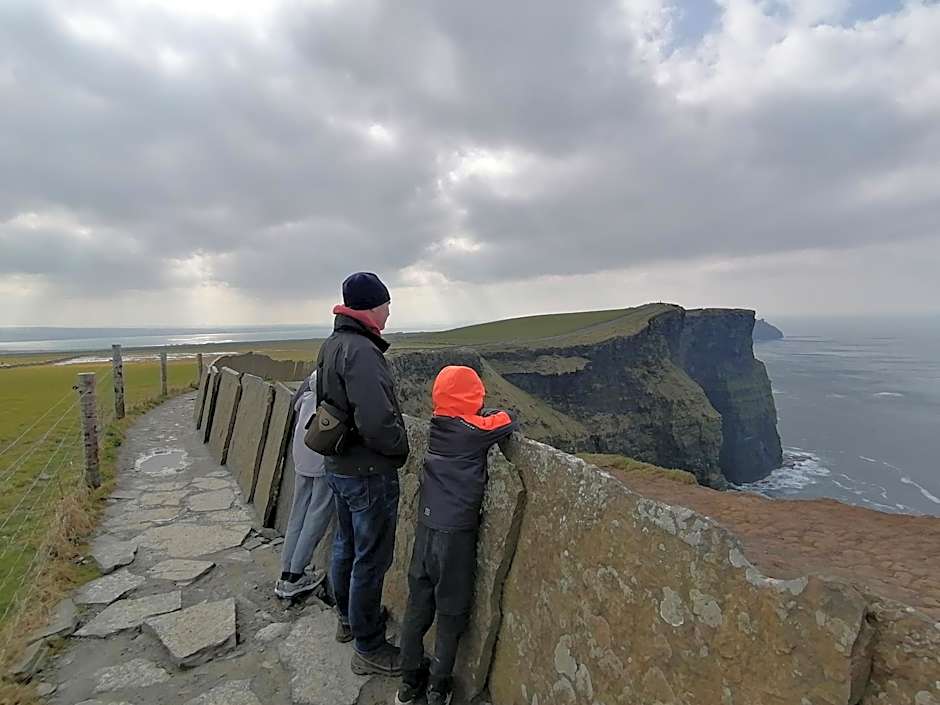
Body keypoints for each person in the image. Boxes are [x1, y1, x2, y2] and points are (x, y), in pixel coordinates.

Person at [395, 365, 516, 705]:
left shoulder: (439, 426)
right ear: (472, 397)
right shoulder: (472, 431)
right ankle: (438, 687)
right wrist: (484, 413)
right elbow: (506, 421)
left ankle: (408, 683)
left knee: (418, 606)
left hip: (426, 529)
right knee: (450, 612)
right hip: (455, 537)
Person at [317, 272, 410, 676]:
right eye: (386, 305)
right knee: (370, 560)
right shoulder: (363, 352)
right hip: (368, 471)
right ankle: (369, 647)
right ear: (371, 307)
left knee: (346, 546)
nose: (389, 312)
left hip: (339, 464)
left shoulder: (333, 344)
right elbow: (376, 421)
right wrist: (400, 449)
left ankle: (349, 621)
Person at [274, 370, 334, 599]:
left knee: (297, 514)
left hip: (301, 457)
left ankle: (287, 570)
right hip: (321, 460)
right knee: (316, 516)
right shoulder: (327, 400)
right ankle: (297, 575)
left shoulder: (305, 397)